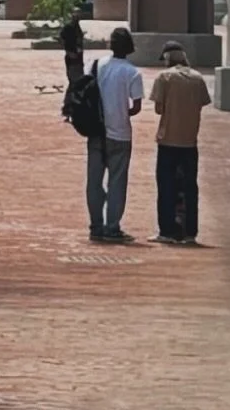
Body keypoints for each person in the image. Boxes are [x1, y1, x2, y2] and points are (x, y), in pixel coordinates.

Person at [149, 41, 211, 245]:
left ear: (167, 58)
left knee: (166, 186)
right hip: (190, 141)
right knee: (189, 187)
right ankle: (189, 232)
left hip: (168, 139)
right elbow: (202, 103)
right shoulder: (197, 78)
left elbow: (159, 109)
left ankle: (166, 231)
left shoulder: (164, 78)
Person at [87, 26, 143, 244]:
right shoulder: (132, 72)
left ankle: (95, 226)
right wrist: (121, 110)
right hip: (120, 134)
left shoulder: (97, 65)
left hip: (96, 132)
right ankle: (112, 227)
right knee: (117, 182)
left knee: (94, 181)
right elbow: (136, 106)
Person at [60, 6, 85, 84]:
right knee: (73, 79)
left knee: (79, 78)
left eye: (79, 14)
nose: (78, 16)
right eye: (76, 14)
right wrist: (68, 52)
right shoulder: (68, 27)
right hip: (71, 56)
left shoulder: (78, 27)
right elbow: (62, 39)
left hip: (79, 56)